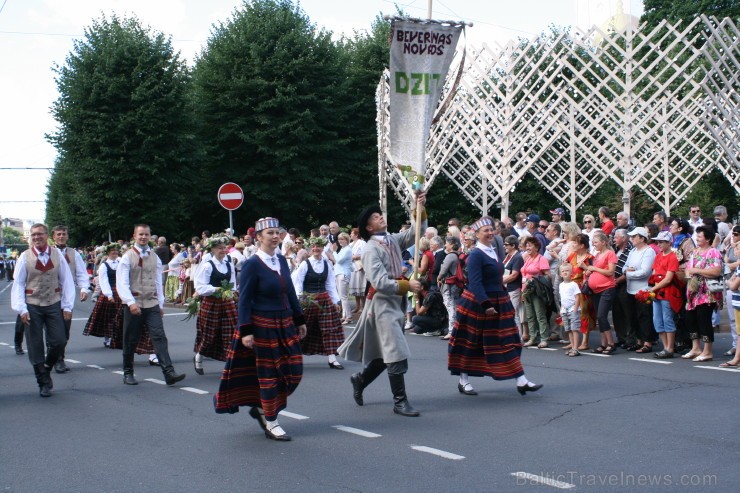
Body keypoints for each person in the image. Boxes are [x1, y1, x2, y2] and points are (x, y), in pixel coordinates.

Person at [214, 217, 307, 441]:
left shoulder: (282, 261)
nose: (275, 236)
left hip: (284, 323)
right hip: (262, 324)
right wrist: (246, 331)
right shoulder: (252, 264)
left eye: (277, 232)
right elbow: (244, 300)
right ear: (258, 238)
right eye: (270, 233)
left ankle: (264, 409)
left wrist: (299, 319)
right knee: (269, 374)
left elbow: (290, 292)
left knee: (294, 370)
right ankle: (271, 419)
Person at [339, 192, 427, 417]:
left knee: (383, 353)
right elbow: (379, 282)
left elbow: (417, 232)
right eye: (376, 217)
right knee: (395, 350)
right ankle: (400, 402)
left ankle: (360, 380)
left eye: (380, 215)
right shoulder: (370, 249)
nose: (380, 218)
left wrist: (420, 208)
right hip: (381, 304)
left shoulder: (392, 239)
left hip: (395, 303)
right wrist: (409, 285)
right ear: (368, 228)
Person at [447, 216, 542, 396]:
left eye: (491, 230)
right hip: (478, 303)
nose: (490, 233)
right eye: (486, 231)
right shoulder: (475, 254)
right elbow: (475, 282)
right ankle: (463, 380)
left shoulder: (493, 250)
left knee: (509, 339)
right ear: (477, 234)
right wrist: (485, 304)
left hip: (499, 299)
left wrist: (501, 298)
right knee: (470, 342)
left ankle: (521, 380)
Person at [116, 224, 186, 386]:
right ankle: (128, 372)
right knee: (130, 339)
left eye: (146, 234)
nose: (143, 237)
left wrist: (160, 304)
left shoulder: (154, 257)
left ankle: (169, 372)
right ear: (134, 236)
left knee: (159, 337)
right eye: (140, 234)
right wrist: (130, 302)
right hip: (134, 303)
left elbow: (157, 282)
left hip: (152, 303)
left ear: (150, 236)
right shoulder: (127, 257)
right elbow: (122, 282)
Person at [10, 223, 75, 397]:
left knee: (59, 340)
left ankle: (46, 367)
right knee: (35, 344)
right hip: (32, 304)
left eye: (40, 234)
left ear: (47, 236)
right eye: (33, 235)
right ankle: (42, 381)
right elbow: (18, 285)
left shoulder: (57, 255)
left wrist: (67, 305)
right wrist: (21, 308)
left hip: (54, 302)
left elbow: (66, 281)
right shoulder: (25, 257)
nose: (36, 237)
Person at [292, 235, 345, 369]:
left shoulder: (327, 264)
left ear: (322, 248)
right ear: (311, 248)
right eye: (314, 246)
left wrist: (336, 301)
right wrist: (300, 299)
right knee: (303, 328)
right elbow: (298, 283)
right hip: (308, 300)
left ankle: (332, 359)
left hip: (324, 300)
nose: (316, 249)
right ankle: (293, 357)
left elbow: (330, 284)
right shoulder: (305, 264)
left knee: (330, 329)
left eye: (319, 246)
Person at [193, 234, 237, 375]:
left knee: (230, 334)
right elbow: (200, 287)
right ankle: (199, 356)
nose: (223, 250)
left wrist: (232, 294)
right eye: (220, 248)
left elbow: (233, 284)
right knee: (209, 334)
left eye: (224, 248)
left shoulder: (229, 264)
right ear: (212, 249)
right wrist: (215, 289)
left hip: (227, 303)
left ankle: (230, 366)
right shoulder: (207, 265)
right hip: (211, 304)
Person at [51, 225, 91, 374]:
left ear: (67, 236)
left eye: (64, 234)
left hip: (67, 296)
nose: (61, 236)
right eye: (58, 234)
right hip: (50, 296)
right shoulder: (49, 252)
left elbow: (81, 273)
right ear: (53, 236)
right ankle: (57, 359)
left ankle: (59, 355)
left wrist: (84, 289)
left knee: (65, 330)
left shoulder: (74, 254)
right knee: (53, 330)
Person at [682, 226, 723, 362]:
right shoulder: (695, 251)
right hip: (693, 292)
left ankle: (707, 351)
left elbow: (716, 271)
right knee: (690, 320)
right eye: (697, 236)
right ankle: (695, 348)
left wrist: (696, 270)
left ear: (708, 239)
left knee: (704, 320)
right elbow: (688, 268)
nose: (697, 239)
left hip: (707, 293)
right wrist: (690, 272)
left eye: (700, 236)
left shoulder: (713, 252)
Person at [647, 231, 683, 358]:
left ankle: (670, 348)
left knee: (667, 319)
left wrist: (653, 288)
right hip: (658, 291)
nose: (659, 244)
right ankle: (665, 347)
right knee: (657, 320)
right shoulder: (658, 256)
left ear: (669, 243)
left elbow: (668, 279)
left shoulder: (672, 257)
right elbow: (655, 273)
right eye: (658, 242)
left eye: (662, 242)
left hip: (667, 292)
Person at [624, 227, 657, 353]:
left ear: (642, 238)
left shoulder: (649, 251)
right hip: (630, 288)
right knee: (634, 316)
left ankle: (648, 341)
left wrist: (628, 274)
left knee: (644, 316)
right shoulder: (633, 251)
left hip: (643, 289)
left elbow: (645, 272)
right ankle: (639, 340)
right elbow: (625, 267)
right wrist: (626, 271)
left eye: (634, 237)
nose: (631, 239)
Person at [584, 231, 617, 354]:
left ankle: (611, 342)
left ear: (603, 242)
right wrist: (589, 271)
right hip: (596, 290)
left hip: (607, 288)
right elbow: (596, 270)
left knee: (602, 316)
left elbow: (610, 272)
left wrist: (594, 269)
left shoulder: (610, 254)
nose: (594, 244)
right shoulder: (597, 255)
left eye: (596, 242)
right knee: (599, 317)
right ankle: (603, 343)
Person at [83, 244, 122, 347]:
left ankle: (117, 338)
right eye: (112, 251)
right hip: (109, 292)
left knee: (120, 317)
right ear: (108, 253)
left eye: (116, 251)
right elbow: (103, 281)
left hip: (120, 292)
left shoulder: (120, 262)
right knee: (108, 317)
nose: (115, 252)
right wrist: (109, 294)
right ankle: (108, 338)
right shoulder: (104, 265)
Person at [521, 236, 552, 348]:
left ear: (536, 247)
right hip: (526, 290)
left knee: (540, 314)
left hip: (537, 291)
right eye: (527, 245)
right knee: (530, 315)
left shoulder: (541, 259)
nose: (527, 247)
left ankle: (544, 338)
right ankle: (533, 337)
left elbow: (548, 275)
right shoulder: (528, 259)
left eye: (530, 245)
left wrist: (536, 279)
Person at [565, 234, 595, 350]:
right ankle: (573, 341)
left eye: (576, 243)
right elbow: (565, 268)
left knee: (583, 313)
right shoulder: (572, 256)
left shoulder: (590, 258)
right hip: (570, 288)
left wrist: (586, 269)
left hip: (582, 289)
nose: (573, 245)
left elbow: (593, 272)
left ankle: (584, 341)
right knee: (570, 313)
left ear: (582, 245)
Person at [437, 236, 464, 337]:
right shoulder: (459, 255)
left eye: (447, 243)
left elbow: (443, 270)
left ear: (452, 244)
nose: (445, 245)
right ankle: (457, 329)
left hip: (449, 284)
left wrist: (439, 278)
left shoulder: (450, 256)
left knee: (450, 306)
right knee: (455, 305)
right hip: (456, 284)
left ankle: (452, 331)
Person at [720, 241, 740, 368]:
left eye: (737, 248)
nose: (736, 251)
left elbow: (733, 285)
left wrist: (728, 282)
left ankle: (737, 358)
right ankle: (737, 358)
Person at [502, 235, 524, 337]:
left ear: (513, 245)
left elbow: (514, 275)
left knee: (513, 313)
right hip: (506, 288)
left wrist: (499, 281)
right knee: (507, 314)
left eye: (506, 244)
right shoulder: (508, 256)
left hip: (513, 288)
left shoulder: (517, 257)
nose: (504, 246)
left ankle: (518, 337)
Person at [558, 264, 582, 356]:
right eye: (563, 271)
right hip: (565, 310)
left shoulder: (573, 284)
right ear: (560, 274)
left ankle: (576, 348)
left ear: (571, 272)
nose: (565, 272)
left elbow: (577, 297)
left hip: (572, 309)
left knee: (574, 329)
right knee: (568, 329)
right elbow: (562, 298)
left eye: (567, 270)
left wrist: (575, 309)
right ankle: (572, 347)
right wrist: (561, 309)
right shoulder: (561, 285)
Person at [333, 233, 354, 324]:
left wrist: (334, 252)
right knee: (342, 297)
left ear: (347, 240)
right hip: (339, 273)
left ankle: (349, 317)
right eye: (339, 239)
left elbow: (339, 260)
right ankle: (344, 315)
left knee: (344, 297)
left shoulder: (347, 250)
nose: (340, 241)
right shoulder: (343, 249)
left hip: (343, 274)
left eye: (342, 239)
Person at [348, 228, 367, 318]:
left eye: (352, 233)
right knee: (355, 287)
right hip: (352, 267)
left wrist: (357, 256)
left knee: (361, 287)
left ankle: (363, 307)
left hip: (360, 266)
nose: (351, 235)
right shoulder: (350, 244)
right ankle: (357, 305)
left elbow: (366, 253)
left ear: (356, 234)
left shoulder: (362, 243)